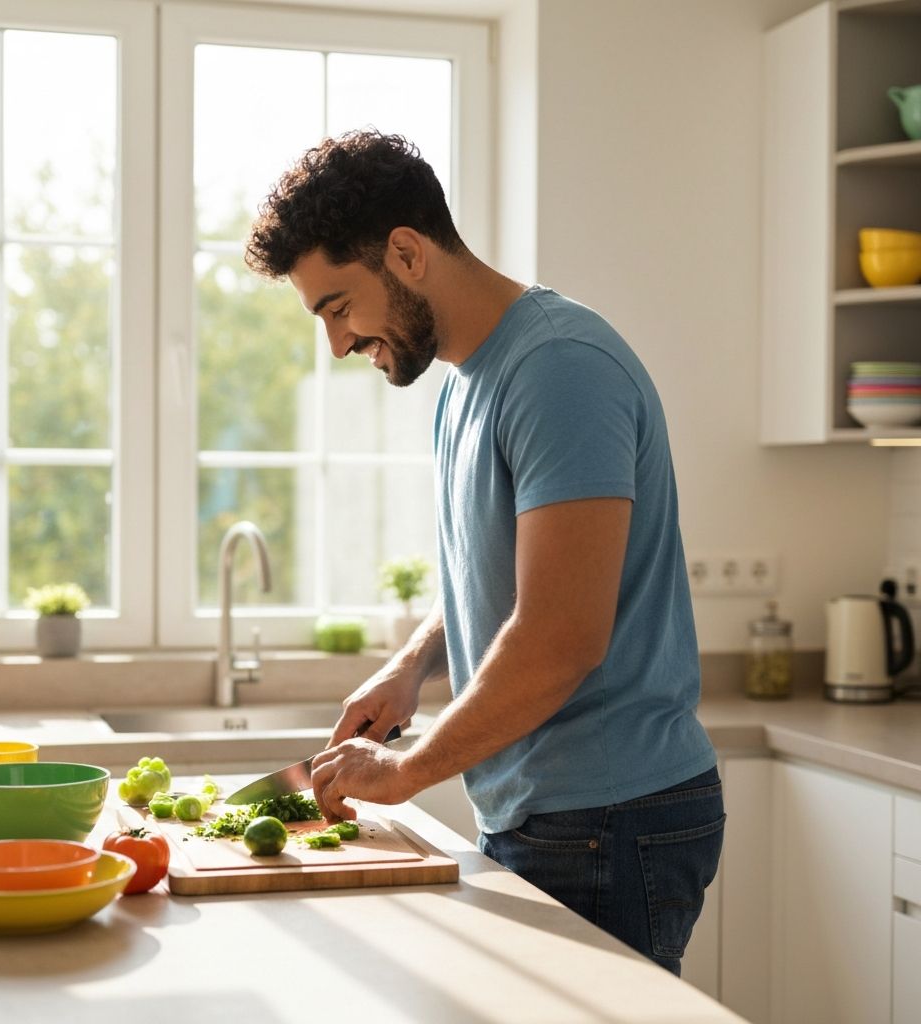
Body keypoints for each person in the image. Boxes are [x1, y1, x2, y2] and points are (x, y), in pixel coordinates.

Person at [244, 129, 724, 975]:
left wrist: (404, 771)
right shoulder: (468, 382)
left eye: (339, 307)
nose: (339, 344)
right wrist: (412, 667)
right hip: (552, 814)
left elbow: (560, 637)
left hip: (609, 820)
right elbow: (500, 572)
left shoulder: (560, 370)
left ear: (406, 253)